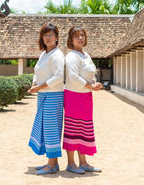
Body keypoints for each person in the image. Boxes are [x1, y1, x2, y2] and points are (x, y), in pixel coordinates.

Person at [63, 26, 102, 174]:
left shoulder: (86, 55)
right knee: (73, 129)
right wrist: (90, 85)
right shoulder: (72, 56)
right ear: (71, 40)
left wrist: (94, 82)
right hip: (73, 95)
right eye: (76, 36)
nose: (80, 38)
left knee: (84, 129)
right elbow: (73, 77)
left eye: (82, 35)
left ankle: (84, 162)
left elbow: (91, 71)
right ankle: (71, 163)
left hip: (85, 96)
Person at [28, 23, 65, 175]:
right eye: (45, 35)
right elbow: (37, 71)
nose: (48, 38)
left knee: (51, 129)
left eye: (51, 35)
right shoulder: (43, 54)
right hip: (43, 94)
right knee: (45, 127)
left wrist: (40, 87)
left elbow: (58, 77)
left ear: (57, 38)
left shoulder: (57, 55)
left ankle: (51, 165)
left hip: (53, 95)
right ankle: (53, 162)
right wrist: (34, 82)